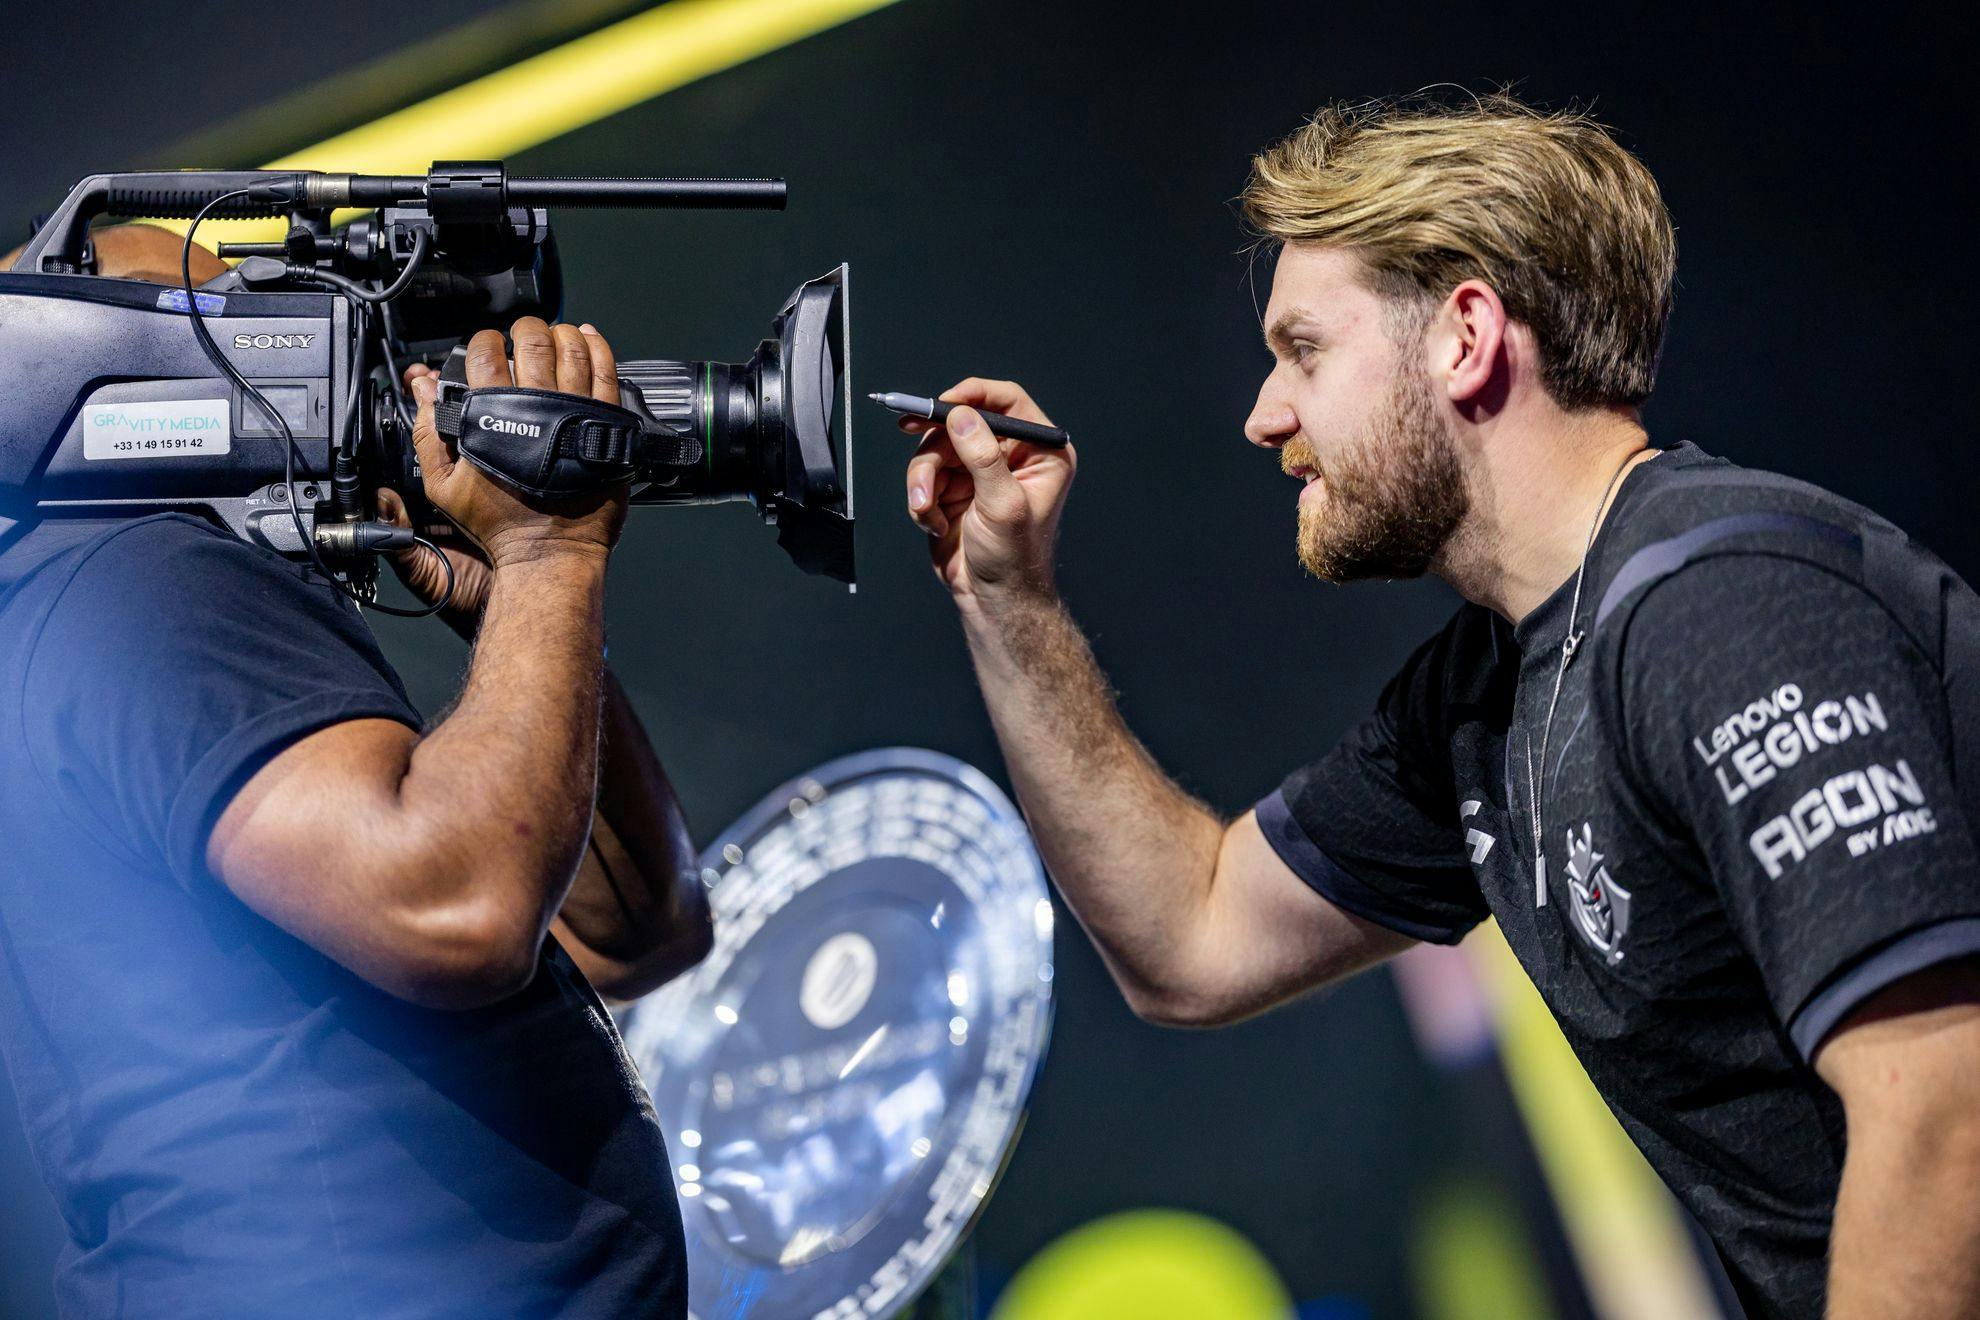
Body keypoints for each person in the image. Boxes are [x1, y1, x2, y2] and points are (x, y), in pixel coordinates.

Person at [901, 95, 1980, 1319]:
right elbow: (1188, 939)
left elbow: (1944, 1097)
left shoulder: (1719, 607)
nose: (1265, 414)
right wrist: (1006, 595)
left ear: (1465, 337)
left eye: (1304, 349)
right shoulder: (1489, 698)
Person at [0, 226, 709, 1317]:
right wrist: (549, 554)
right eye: (230, 305)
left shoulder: (121, 583)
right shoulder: (145, 577)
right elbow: (457, 906)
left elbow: (635, 929)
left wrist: (515, 608)